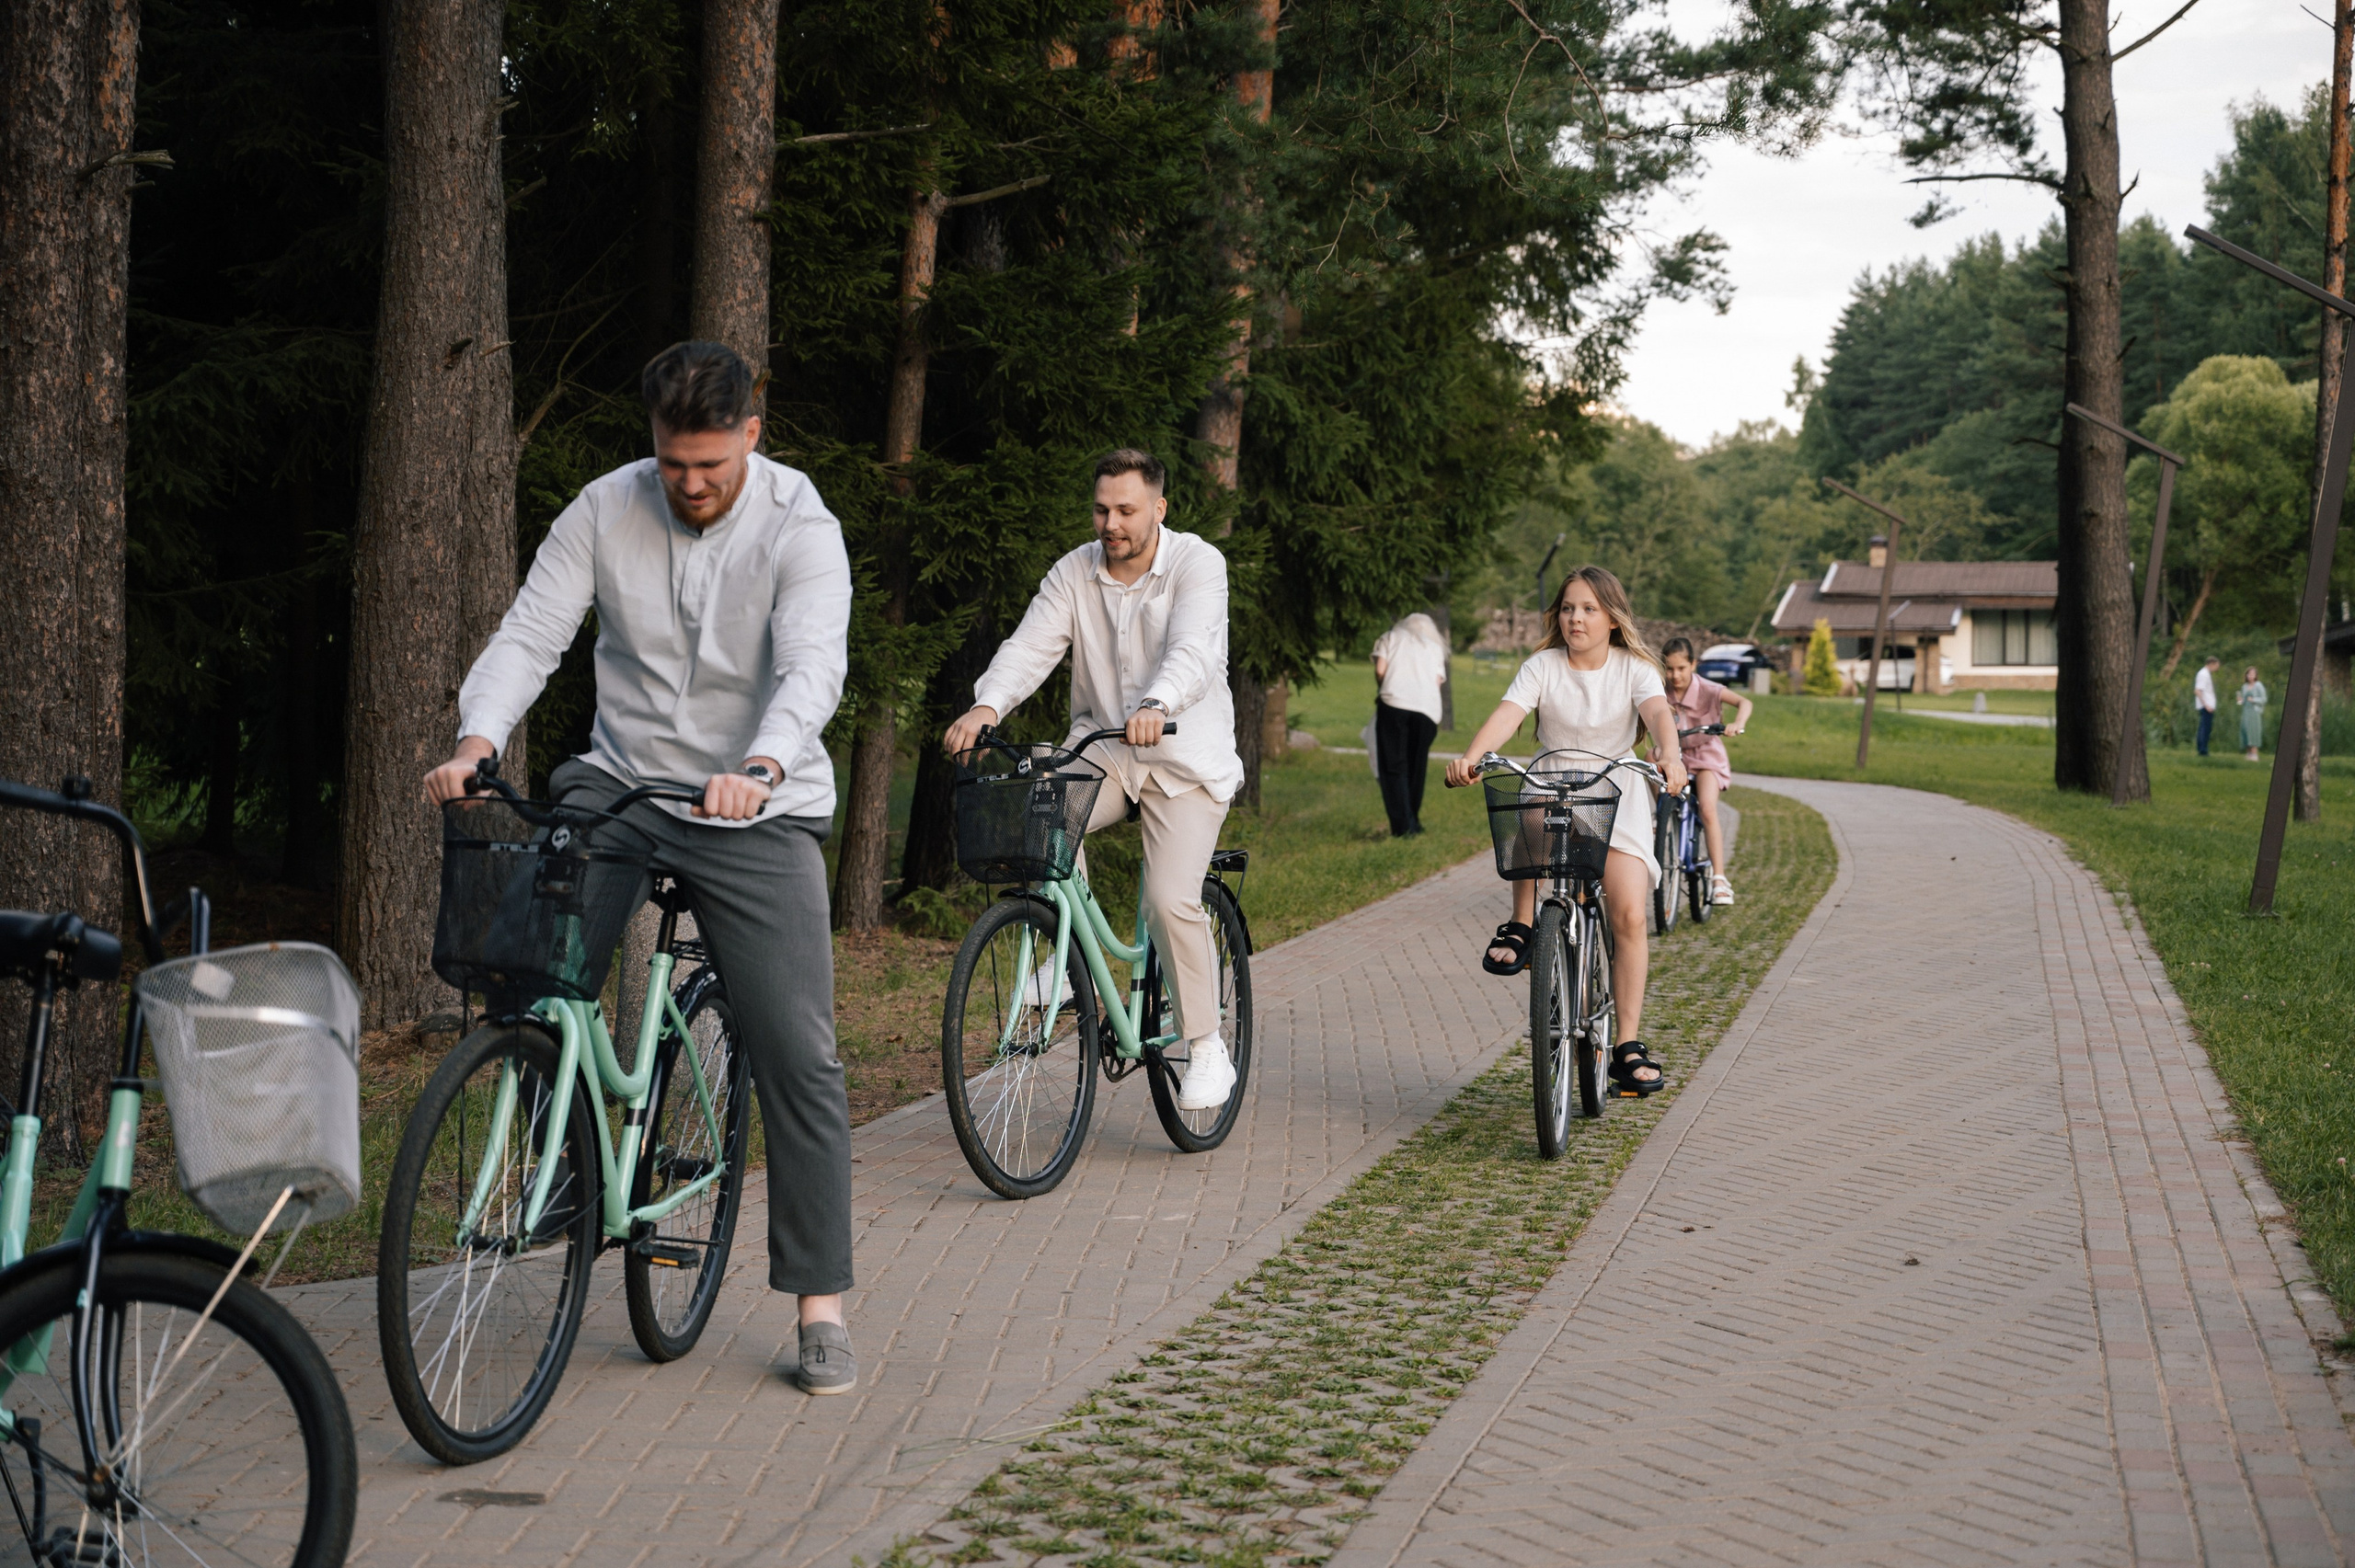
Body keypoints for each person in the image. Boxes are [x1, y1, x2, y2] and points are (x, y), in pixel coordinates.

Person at [424, 342, 862, 1397]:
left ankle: (820, 1303)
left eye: (711, 464)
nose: (692, 484)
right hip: (619, 785)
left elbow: (813, 664)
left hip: (752, 802)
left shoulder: (802, 525)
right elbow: (533, 633)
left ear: (752, 435)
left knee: (799, 1050)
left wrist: (760, 764)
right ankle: (567, 1174)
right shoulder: (605, 507)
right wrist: (478, 740)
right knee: (529, 967)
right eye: (674, 465)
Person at [943, 449, 1245, 1111]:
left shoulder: (1198, 563)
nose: (1111, 523)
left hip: (1183, 753)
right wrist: (988, 703)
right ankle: (1069, 964)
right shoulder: (1074, 571)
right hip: (1108, 747)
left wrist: (1158, 702)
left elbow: (1192, 649)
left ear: (1158, 509)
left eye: (1127, 510)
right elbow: (1030, 645)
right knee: (1042, 803)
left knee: (1169, 899)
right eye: (1102, 509)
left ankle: (1207, 1044)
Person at [1443, 566, 1687, 1097]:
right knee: (1527, 816)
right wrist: (1471, 758)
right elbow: (1508, 713)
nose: (1576, 618)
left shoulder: (1635, 669)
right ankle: (1524, 924)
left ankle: (1626, 1044)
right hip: (1553, 783)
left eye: (1589, 609)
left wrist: (1669, 754)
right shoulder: (1543, 666)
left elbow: (1658, 714)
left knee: (1626, 911)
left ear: (1612, 618)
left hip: (1613, 791)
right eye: (1569, 608)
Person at [1659, 637, 1751, 906]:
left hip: (1707, 756)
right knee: (1651, 758)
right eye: (1669, 669)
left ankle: (1720, 879)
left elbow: (1744, 703)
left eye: (1681, 669)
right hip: (1677, 756)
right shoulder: (1660, 692)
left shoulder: (1709, 689)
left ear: (1693, 665)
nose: (1675, 675)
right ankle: (1660, 816)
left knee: (1708, 809)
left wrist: (1736, 723)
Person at [1370, 612, 1448, 836]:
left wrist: (1382, 686)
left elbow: (1380, 670)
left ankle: (1403, 827)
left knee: (1394, 768)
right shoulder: (1434, 647)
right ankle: (1413, 820)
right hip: (1427, 712)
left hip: (1394, 705)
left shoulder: (1390, 637)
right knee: (1417, 768)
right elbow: (1437, 682)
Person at [2239, 666, 2268, 761]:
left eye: (2252, 674)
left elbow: (2264, 699)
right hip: (2246, 711)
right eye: (2249, 674)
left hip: (2254, 711)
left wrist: (2254, 700)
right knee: (2245, 730)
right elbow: (2243, 701)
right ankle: (2248, 753)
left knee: (2254, 731)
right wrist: (2240, 700)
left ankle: (2255, 754)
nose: (2250, 676)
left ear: (2255, 676)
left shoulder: (2258, 685)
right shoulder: (2244, 686)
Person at [2194, 655, 2220, 756]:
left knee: (2205, 727)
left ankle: (2202, 748)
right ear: (2212, 664)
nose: (2217, 668)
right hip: (2206, 706)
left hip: (2208, 705)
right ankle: (2202, 749)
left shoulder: (2206, 674)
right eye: (2216, 665)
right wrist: (2206, 705)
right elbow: (2197, 690)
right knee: (2205, 728)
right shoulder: (2203, 674)